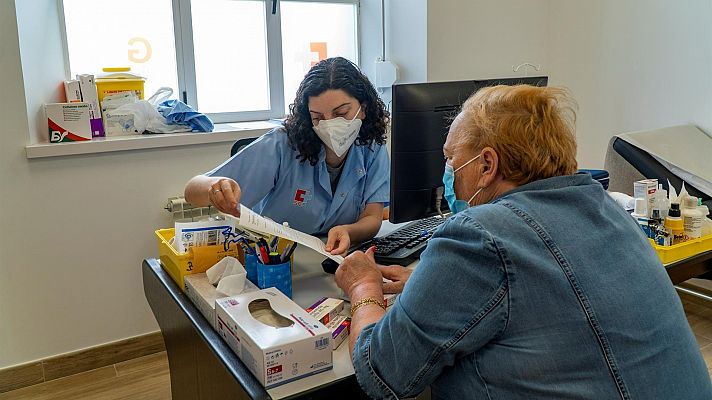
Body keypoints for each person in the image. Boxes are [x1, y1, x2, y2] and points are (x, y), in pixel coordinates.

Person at [335, 85, 712, 399]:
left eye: (451, 159)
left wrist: (364, 286)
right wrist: (429, 285)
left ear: (486, 166)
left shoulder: (478, 235)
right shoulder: (604, 206)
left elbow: (383, 372)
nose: (447, 171)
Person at [184, 57, 390, 255]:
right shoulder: (283, 144)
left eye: (341, 113)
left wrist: (348, 231)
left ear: (363, 108)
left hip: (330, 260)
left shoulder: (371, 146)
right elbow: (192, 189)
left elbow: (372, 217)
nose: (329, 125)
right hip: (275, 260)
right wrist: (217, 186)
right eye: (318, 117)